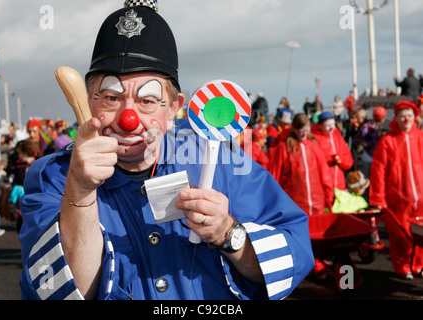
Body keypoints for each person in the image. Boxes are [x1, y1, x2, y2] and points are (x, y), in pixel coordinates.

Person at [18, 1, 314, 300]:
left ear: (173, 108)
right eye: (110, 97)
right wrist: (80, 191)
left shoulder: (217, 157)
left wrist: (228, 234)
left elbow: (296, 252)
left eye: (147, 100)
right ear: (90, 102)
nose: (128, 119)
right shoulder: (55, 177)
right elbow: (57, 292)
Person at [369, 100, 423, 279]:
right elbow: (378, 170)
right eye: (402, 116)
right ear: (396, 118)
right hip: (397, 198)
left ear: (414, 117)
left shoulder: (420, 137)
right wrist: (378, 198)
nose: (406, 119)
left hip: (421, 198)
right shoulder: (387, 141)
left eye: (409, 115)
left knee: (420, 235)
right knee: (400, 235)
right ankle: (403, 266)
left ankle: (418, 265)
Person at [268, 113, 334, 216]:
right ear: (294, 129)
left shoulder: (314, 145)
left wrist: (329, 194)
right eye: (301, 131)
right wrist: (273, 199)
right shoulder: (284, 147)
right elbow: (274, 174)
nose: (304, 134)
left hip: (317, 202)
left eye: (306, 130)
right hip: (293, 201)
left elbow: (324, 172)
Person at [311, 111, 353, 191]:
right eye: (327, 125)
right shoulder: (315, 139)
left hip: (339, 182)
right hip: (324, 182)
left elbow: (348, 159)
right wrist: (329, 159)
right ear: (320, 126)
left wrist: (340, 161)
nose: (331, 128)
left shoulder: (337, 136)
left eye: (333, 124)